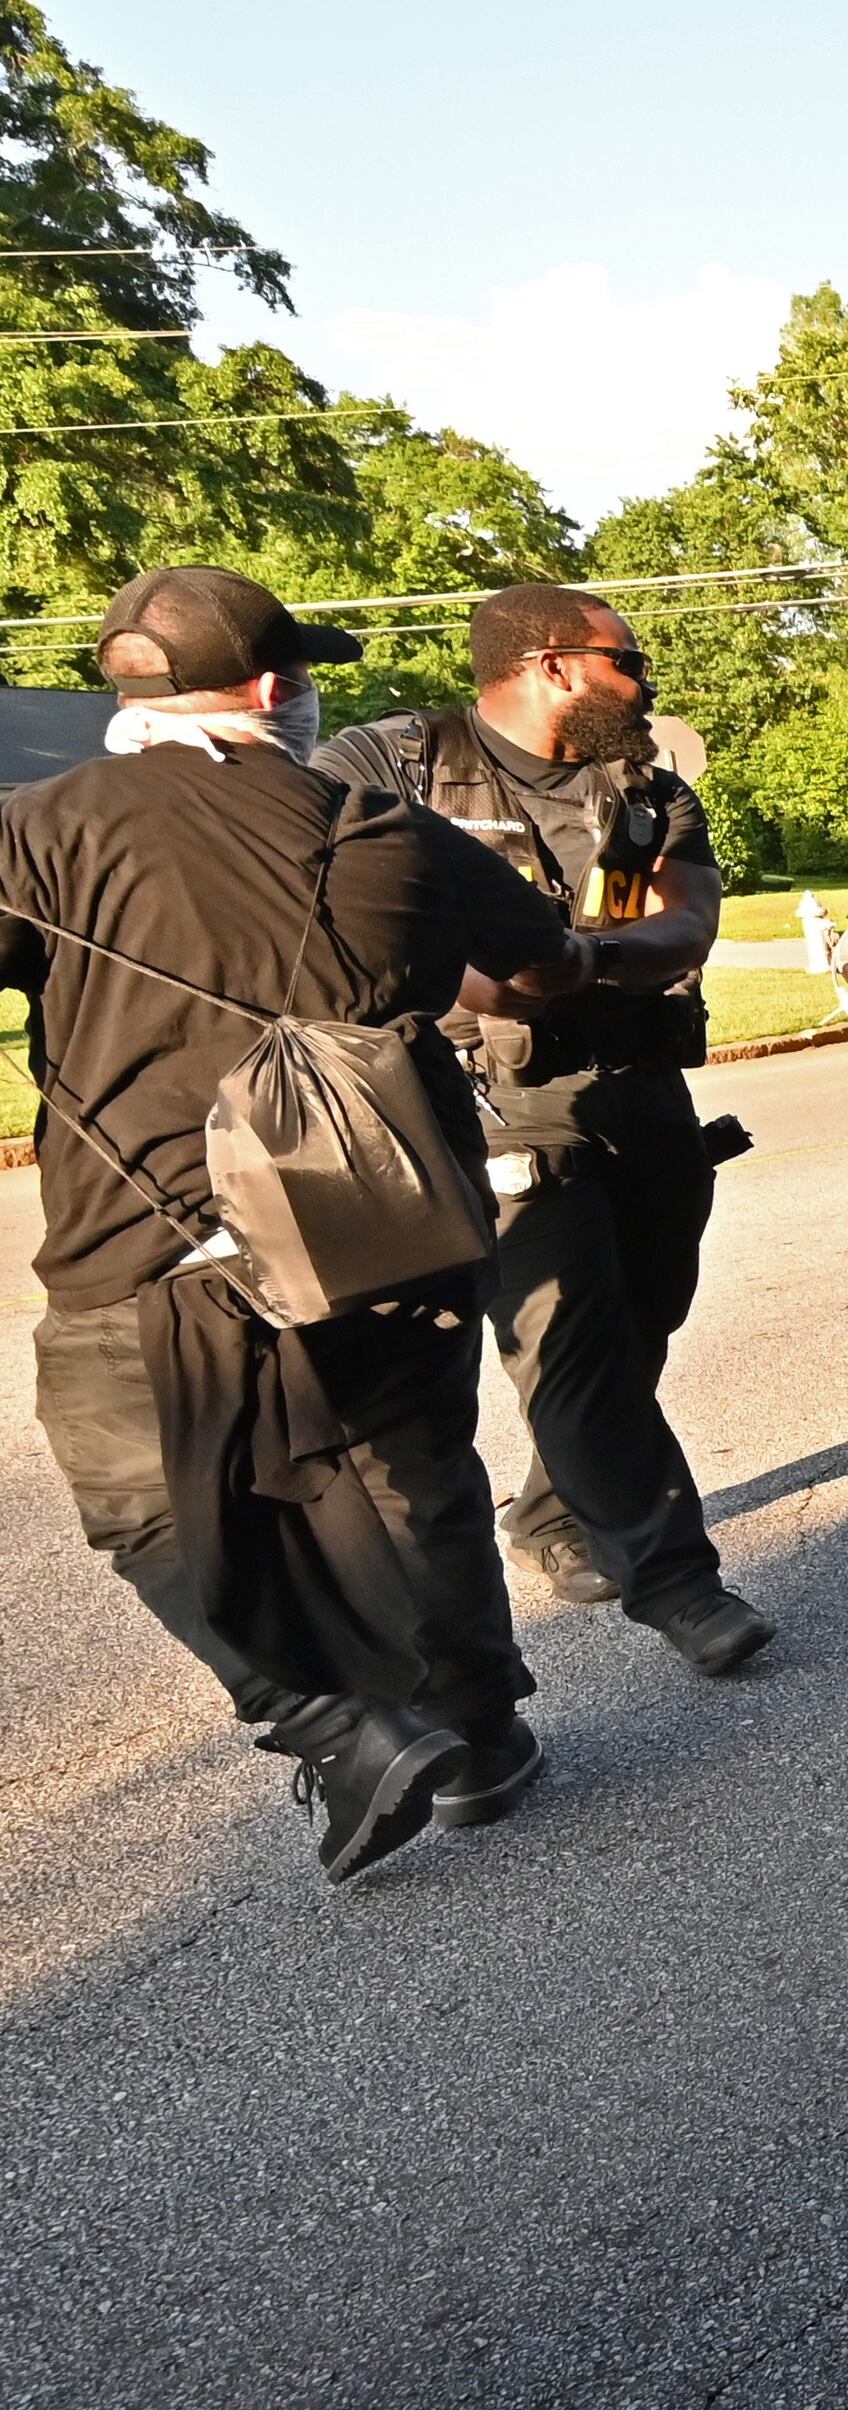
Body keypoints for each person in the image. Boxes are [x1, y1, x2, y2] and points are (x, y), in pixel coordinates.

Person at [6, 567, 597, 1878]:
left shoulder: (41, 829)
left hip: (147, 1245)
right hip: (379, 1219)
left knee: (137, 1499)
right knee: (414, 1473)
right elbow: (553, 962)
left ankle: (330, 1722)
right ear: (272, 688)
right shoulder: (381, 821)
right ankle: (482, 1740)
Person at [315, 587, 771, 1675]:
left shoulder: (642, 783)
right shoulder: (389, 767)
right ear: (555, 665)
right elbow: (342, 911)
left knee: (644, 1321)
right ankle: (679, 1583)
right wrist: (480, 977)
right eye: (631, 658)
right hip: (490, 1100)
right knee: (568, 1343)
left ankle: (552, 1516)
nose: (647, 679)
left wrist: (576, 966)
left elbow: (684, 919)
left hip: (640, 1083)